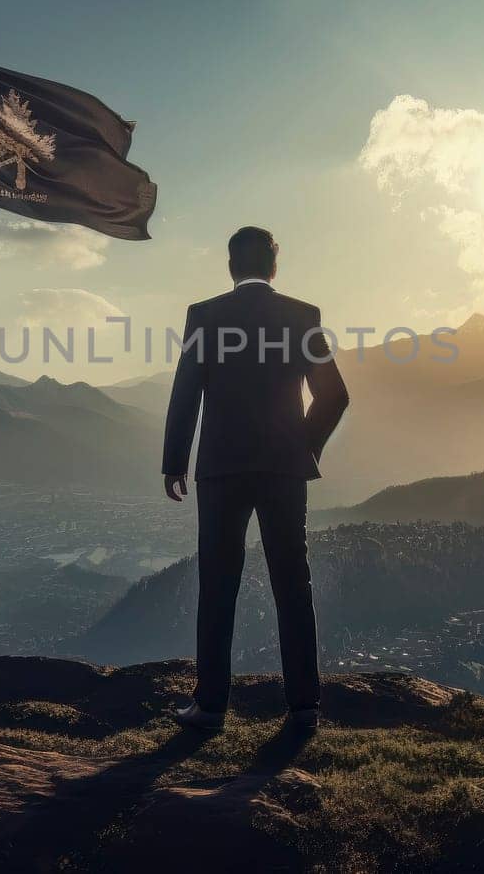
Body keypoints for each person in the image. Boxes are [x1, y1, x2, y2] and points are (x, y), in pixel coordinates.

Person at [161, 226, 350, 732]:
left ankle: (210, 706)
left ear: (230, 266)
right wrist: (303, 444)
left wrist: (174, 460)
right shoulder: (302, 316)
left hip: (221, 468)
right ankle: (305, 706)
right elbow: (335, 395)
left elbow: (187, 393)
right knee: (293, 581)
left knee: (217, 583)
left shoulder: (205, 316)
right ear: (274, 266)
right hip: (284, 468)